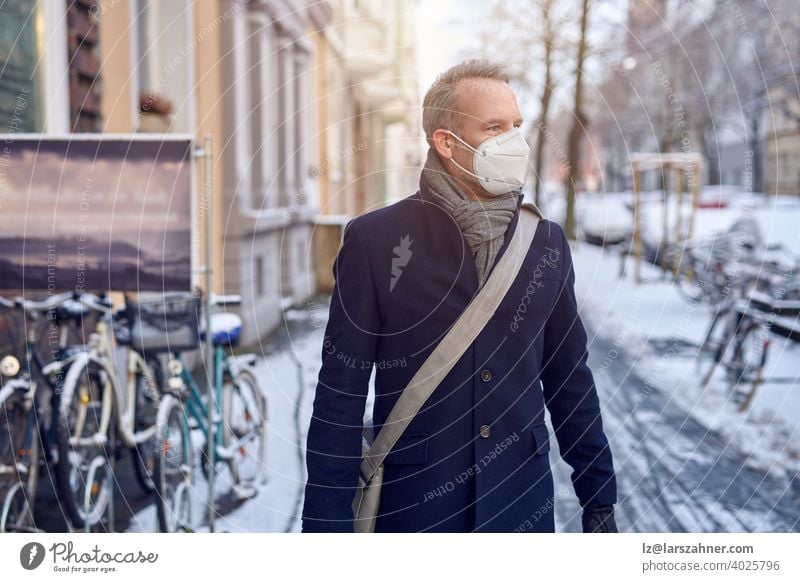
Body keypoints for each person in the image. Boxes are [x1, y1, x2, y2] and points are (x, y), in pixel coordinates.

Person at [302, 59, 618, 533]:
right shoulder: (375, 241)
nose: (514, 141)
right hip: (415, 510)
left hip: (520, 506)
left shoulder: (545, 243)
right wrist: (324, 528)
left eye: (516, 126)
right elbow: (339, 396)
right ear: (447, 142)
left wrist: (599, 497)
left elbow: (569, 379)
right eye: (494, 128)